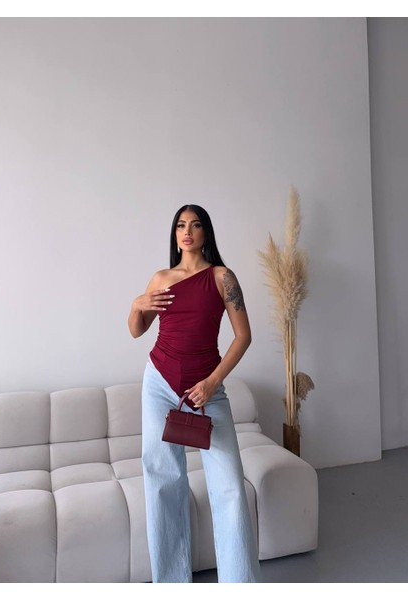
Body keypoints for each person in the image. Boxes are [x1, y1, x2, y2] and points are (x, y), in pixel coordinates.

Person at [128, 205, 261, 583]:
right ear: (175, 235)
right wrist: (137, 304)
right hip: (159, 383)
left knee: (230, 486)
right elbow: (137, 330)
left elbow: (243, 336)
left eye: (196, 225)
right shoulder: (161, 278)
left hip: (207, 390)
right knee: (162, 480)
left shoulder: (222, 277)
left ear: (206, 233)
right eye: (181, 225)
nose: (187, 231)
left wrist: (213, 382)